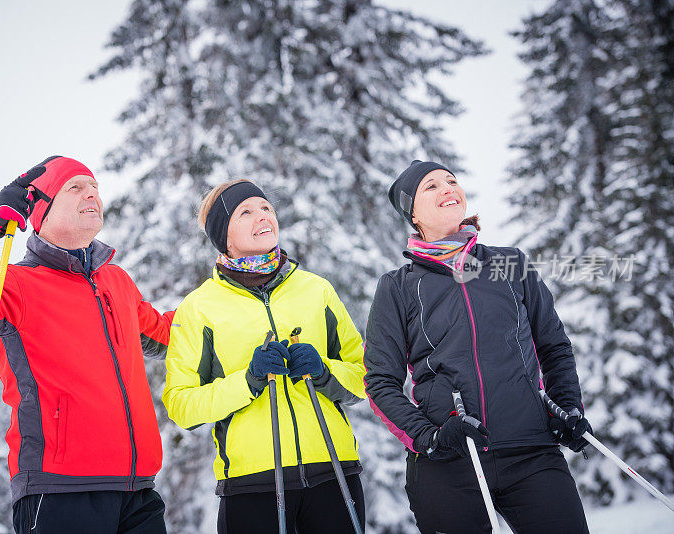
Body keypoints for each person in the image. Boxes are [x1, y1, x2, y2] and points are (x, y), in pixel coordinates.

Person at [0, 156, 174, 534]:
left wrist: (230, 303)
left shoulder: (116, 280)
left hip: (138, 491)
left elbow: (166, 333)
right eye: (75, 187)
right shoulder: (16, 284)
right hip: (59, 489)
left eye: (95, 188)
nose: (91, 194)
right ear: (40, 211)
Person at [364, 160, 591, 534]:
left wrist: (566, 406)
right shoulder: (398, 287)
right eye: (431, 187)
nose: (447, 188)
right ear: (413, 214)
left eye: (451, 181)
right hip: (450, 460)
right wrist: (431, 437)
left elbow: (553, 346)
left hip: (530, 451)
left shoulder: (509, 264)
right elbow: (380, 383)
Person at [162, 179, 366, 533]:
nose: (262, 216)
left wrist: (325, 372)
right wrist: (248, 380)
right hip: (251, 485)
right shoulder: (199, 308)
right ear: (225, 236)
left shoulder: (316, 290)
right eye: (246, 211)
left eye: (266, 208)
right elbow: (181, 405)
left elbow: (366, 376)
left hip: (333, 474)